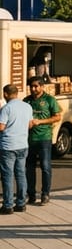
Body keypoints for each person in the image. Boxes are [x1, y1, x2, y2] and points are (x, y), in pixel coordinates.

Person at [24, 77, 61, 206]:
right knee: (29, 168)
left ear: (42, 86)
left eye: (36, 86)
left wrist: (41, 121)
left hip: (44, 138)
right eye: (31, 86)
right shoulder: (26, 100)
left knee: (45, 167)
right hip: (29, 139)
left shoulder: (49, 100)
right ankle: (31, 194)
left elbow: (57, 116)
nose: (33, 89)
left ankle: (45, 193)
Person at [0, 84, 33, 215]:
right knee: (21, 174)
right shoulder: (27, 106)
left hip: (8, 145)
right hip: (22, 144)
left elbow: (1, 127)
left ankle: (8, 205)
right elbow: (30, 125)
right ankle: (21, 203)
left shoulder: (6, 108)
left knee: (7, 175)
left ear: (6, 94)